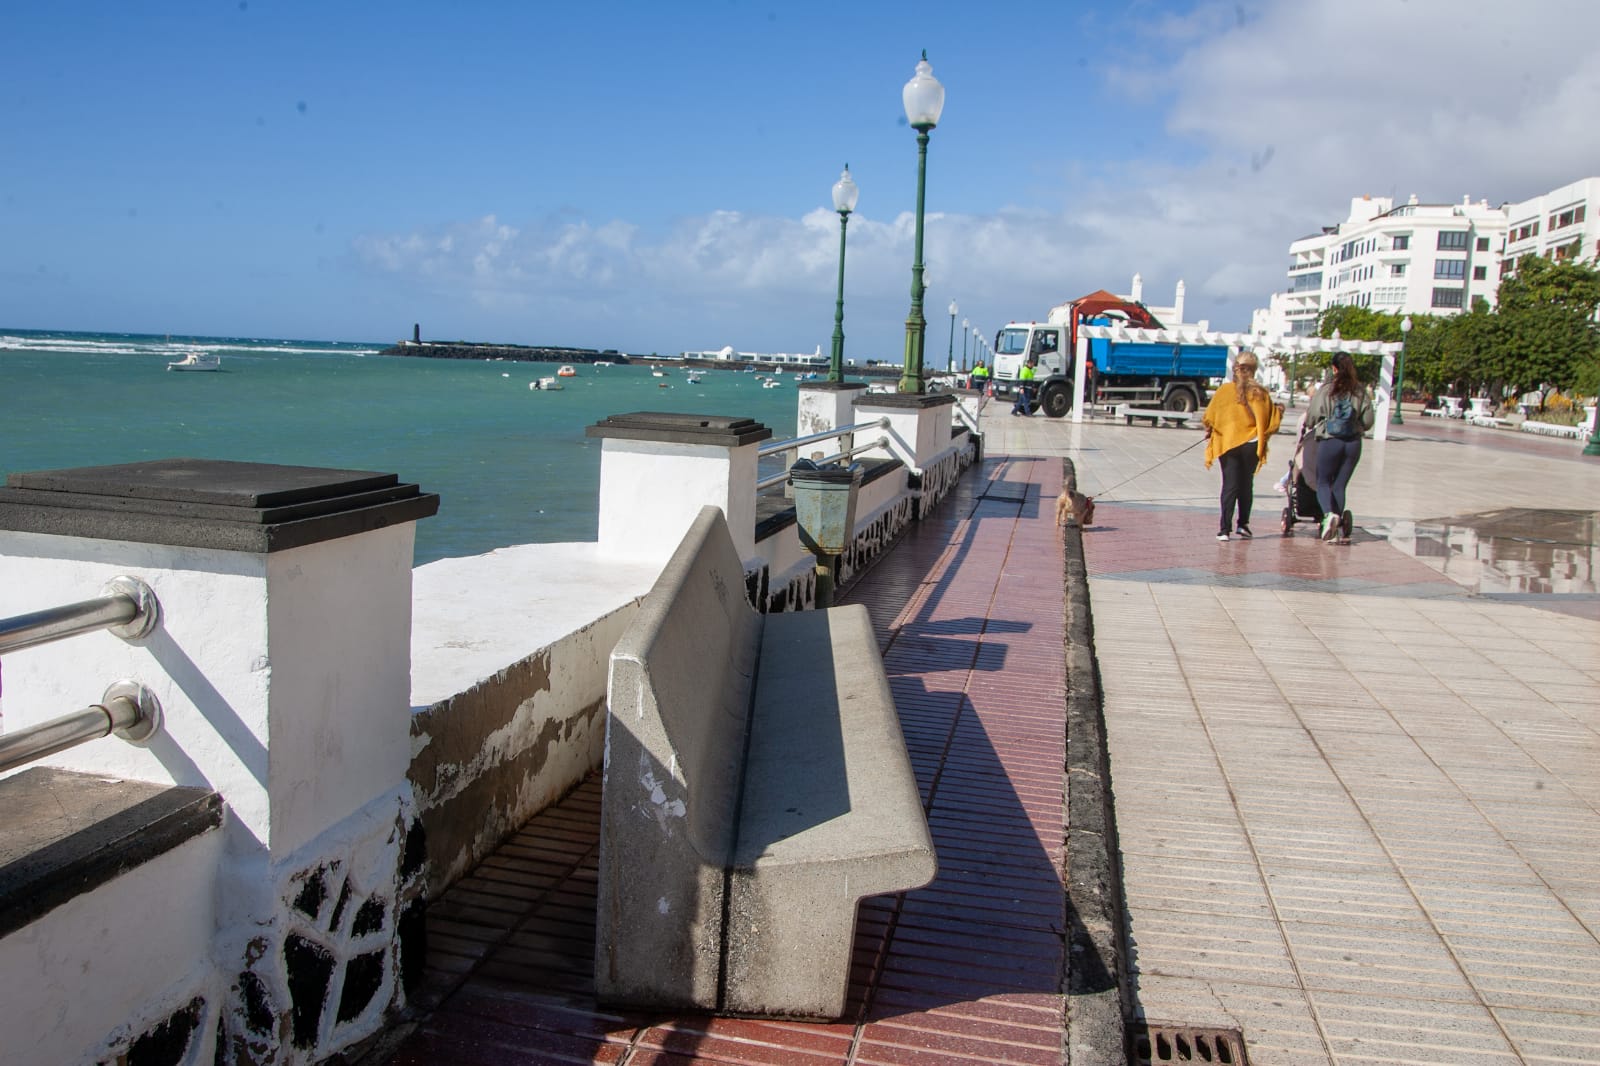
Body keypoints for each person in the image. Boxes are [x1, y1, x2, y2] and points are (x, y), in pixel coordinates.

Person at [1202, 352, 1281, 541]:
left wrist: (1212, 429)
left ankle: (1224, 529)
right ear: (1254, 370)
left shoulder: (1224, 391)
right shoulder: (1260, 393)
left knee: (1229, 485)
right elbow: (1272, 422)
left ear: (1235, 368)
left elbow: (1209, 417)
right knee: (1246, 485)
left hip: (1228, 443)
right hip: (1251, 444)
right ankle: (1243, 525)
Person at [1305, 351, 1375, 541]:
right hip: (1353, 443)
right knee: (1340, 485)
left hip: (1330, 440)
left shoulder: (1327, 389)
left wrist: (1312, 424)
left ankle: (1329, 515)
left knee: (1323, 482)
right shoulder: (1360, 391)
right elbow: (1368, 420)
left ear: (1334, 368)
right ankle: (1335, 526)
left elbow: (1311, 416)